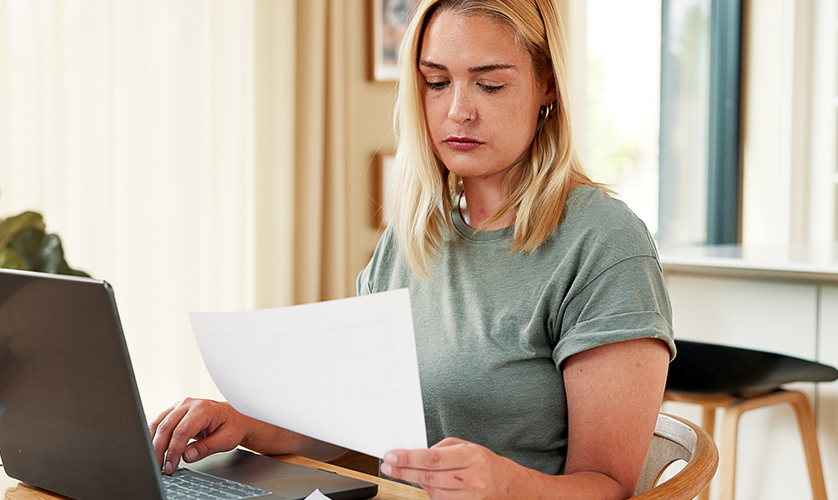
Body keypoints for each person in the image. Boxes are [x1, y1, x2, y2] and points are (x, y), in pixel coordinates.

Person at [150, 1, 674, 498]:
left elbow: (609, 486)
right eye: (436, 82)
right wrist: (247, 425)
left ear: (547, 87)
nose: (458, 110)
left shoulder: (603, 244)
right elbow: (357, 428)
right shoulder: (410, 238)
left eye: (489, 84)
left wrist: (507, 486)